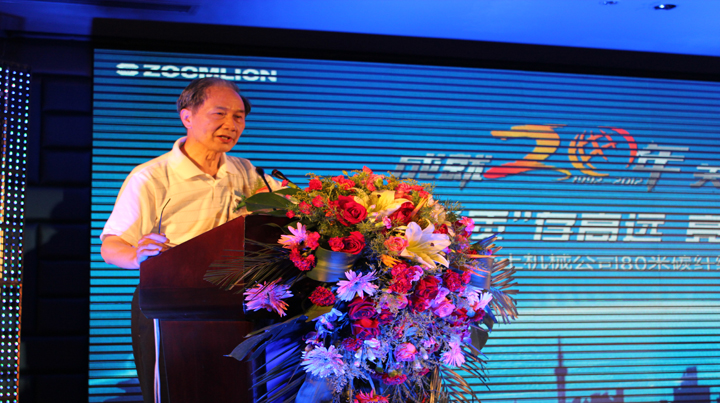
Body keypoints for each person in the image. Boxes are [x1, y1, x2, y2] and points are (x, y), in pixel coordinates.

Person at [100, 77, 279, 402]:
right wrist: (137, 255)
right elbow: (111, 246)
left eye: (238, 117)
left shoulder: (247, 172)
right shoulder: (152, 176)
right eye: (219, 114)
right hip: (169, 304)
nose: (231, 125)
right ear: (187, 116)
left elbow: (290, 212)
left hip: (235, 303)